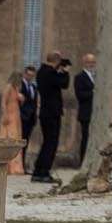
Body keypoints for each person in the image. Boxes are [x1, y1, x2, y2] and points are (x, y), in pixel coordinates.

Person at [31, 52, 70, 184]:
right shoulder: (49, 73)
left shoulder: (41, 72)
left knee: (47, 142)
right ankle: (44, 172)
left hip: (45, 112)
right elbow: (64, 84)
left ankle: (38, 171)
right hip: (52, 113)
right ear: (57, 61)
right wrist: (65, 72)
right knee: (51, 144)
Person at [0, 70, 26, 176]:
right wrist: (5, 114)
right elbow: (3, 102)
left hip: (16, 115)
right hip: (10, 115)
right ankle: (9, 167)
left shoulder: (15, 88)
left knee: (16, 138)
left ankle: (16, 166)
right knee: (9, 138)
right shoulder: (9, 87)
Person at [74, 52, 97, 166]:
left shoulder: (98, 76)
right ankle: (83, 162)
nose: (91, 64)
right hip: (86, 112)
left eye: (93, 62)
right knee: (86, 138)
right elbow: (80, 95)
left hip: (97, 114)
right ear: (84, 63)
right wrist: (93, 92)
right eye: (89, 62)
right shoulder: (79, 77)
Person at [19, 65, 39, 163]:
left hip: (31, 118)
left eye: (32, 76)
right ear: (25, 74)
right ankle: (20, 163)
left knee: (26, 141)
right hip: (22, 117)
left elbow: (34, 103)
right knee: (21, 141)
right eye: (28, 75)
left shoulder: (34, 87)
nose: (30, 77)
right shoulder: (20, 85)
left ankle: (23, 163)